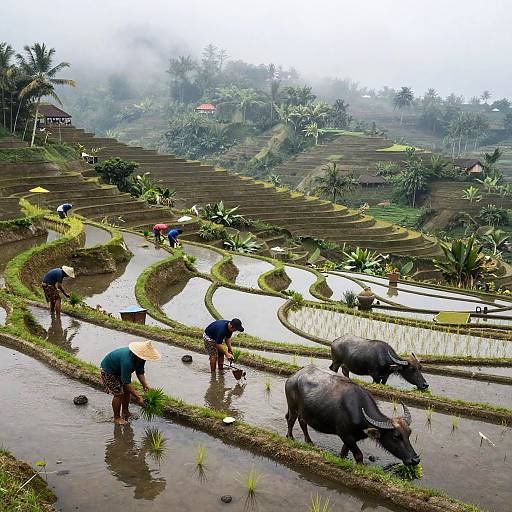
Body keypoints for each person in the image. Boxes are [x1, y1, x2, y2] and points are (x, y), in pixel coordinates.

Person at [100, 341, 161, 425]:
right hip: (109, 371)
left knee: (127, 391)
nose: (145, 359)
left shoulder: (141, 358)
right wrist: (138, 397)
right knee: (119, 394)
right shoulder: (127, 361)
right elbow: (126, 382)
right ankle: (117, 418)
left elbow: (140, 372)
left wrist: (145, 385)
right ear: (137, 354)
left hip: (120, 370)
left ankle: (125, 411)